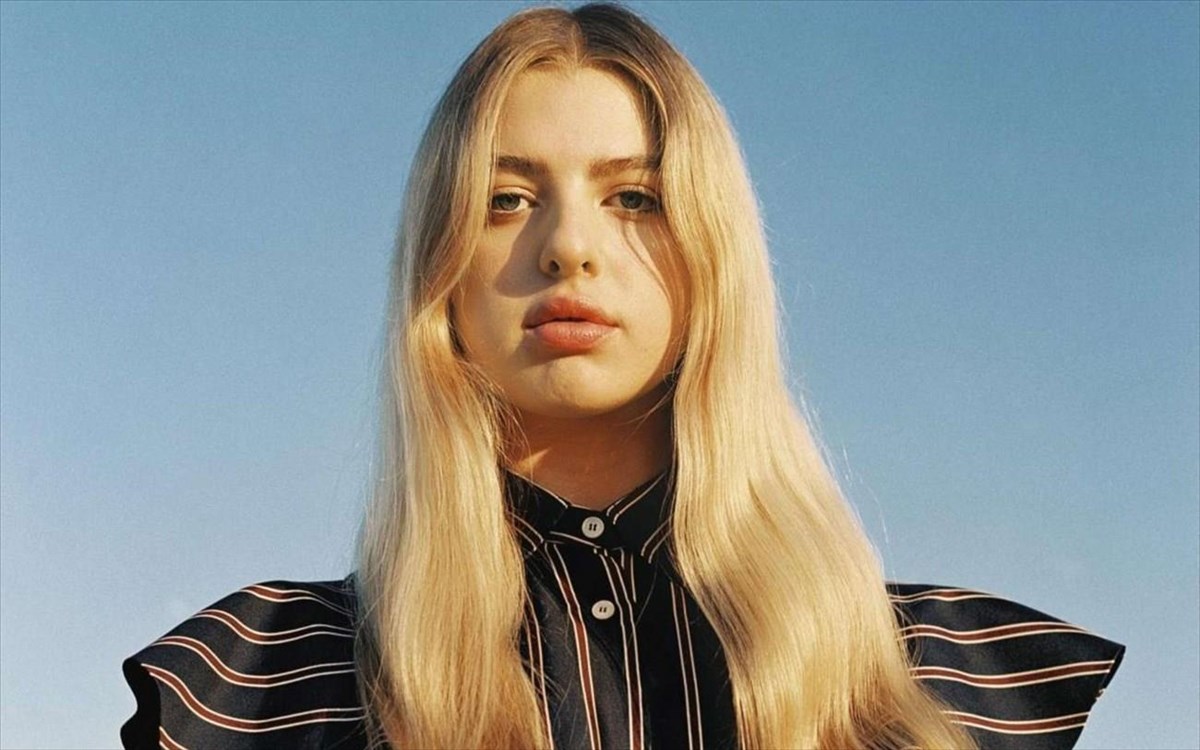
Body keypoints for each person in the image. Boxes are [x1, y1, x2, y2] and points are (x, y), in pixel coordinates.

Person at [120, 4, 1123, 749]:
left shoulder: (943, 685)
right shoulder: (265, 685)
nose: (570, 247)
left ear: (712, 252)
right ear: (439, 274)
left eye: (634, 197)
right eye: (507, 200)